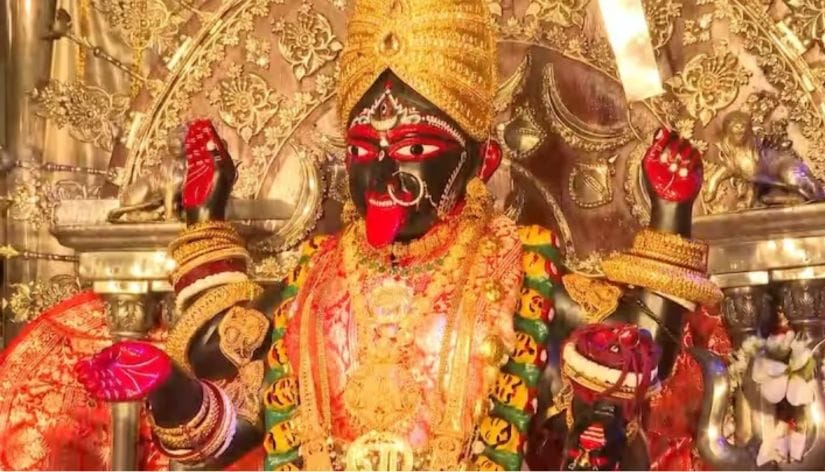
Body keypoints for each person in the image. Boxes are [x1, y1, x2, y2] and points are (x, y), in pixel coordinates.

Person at [76, 0, 719, 469]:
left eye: (413, 148)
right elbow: (223, 413)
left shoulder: (517, 275)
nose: (383, 174)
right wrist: (166, 386)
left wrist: (671, 212)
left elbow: (635, 357)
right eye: (364, 149)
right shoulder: (314, 285)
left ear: (482, 161)